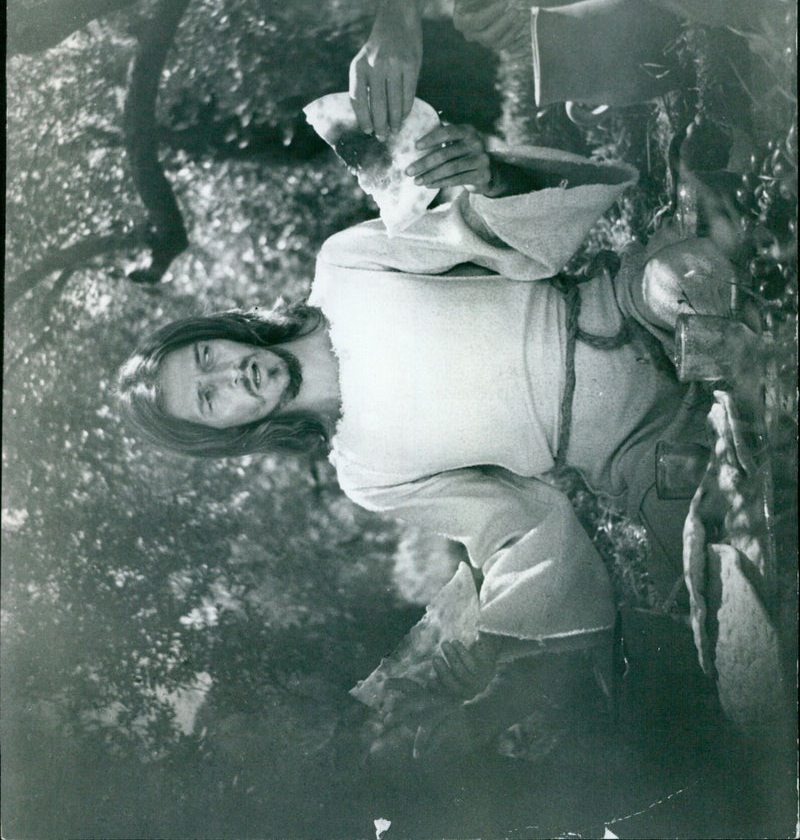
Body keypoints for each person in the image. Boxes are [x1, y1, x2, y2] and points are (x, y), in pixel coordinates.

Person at [118, 123, 740, 757]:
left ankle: (739, 366)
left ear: (219, 331)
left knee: (690, 278)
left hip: (622, 308)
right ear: (224, 434)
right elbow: (514, 526)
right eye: (209, 397)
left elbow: (483, 231)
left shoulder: (345, 266)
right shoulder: (365, 473)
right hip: (630, 450)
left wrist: (491, 178)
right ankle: (735, 406)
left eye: (205, 355)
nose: (229, 375)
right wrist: (502, 652)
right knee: (720, 574)